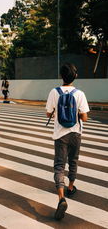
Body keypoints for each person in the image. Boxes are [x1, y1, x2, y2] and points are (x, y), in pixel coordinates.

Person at [46, 63, 89, 220]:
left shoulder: (54, 92)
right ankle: (70, 187)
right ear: (75, 76)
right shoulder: (80, 94)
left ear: (61, 76)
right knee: (73, 161)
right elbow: (84, 117)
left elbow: (48, 113)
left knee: (59, 166)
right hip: (76, 133)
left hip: (60, 135)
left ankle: (61, 197)